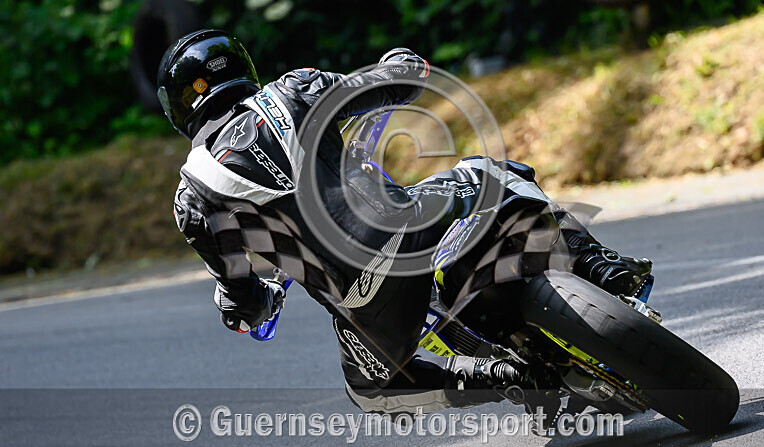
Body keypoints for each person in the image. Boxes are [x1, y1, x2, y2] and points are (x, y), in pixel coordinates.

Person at [158, 29, 652, 422]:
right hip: (412, 229)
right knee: (491, 172)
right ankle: (599, 265)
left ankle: (507, 378)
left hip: (364, 304)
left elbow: (243, 300)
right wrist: (402, 64)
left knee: (369, 391)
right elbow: (395, 84)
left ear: (178, 107)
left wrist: (257, 301)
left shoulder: (192, 197)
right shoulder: (293, 90)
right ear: (243, 69)